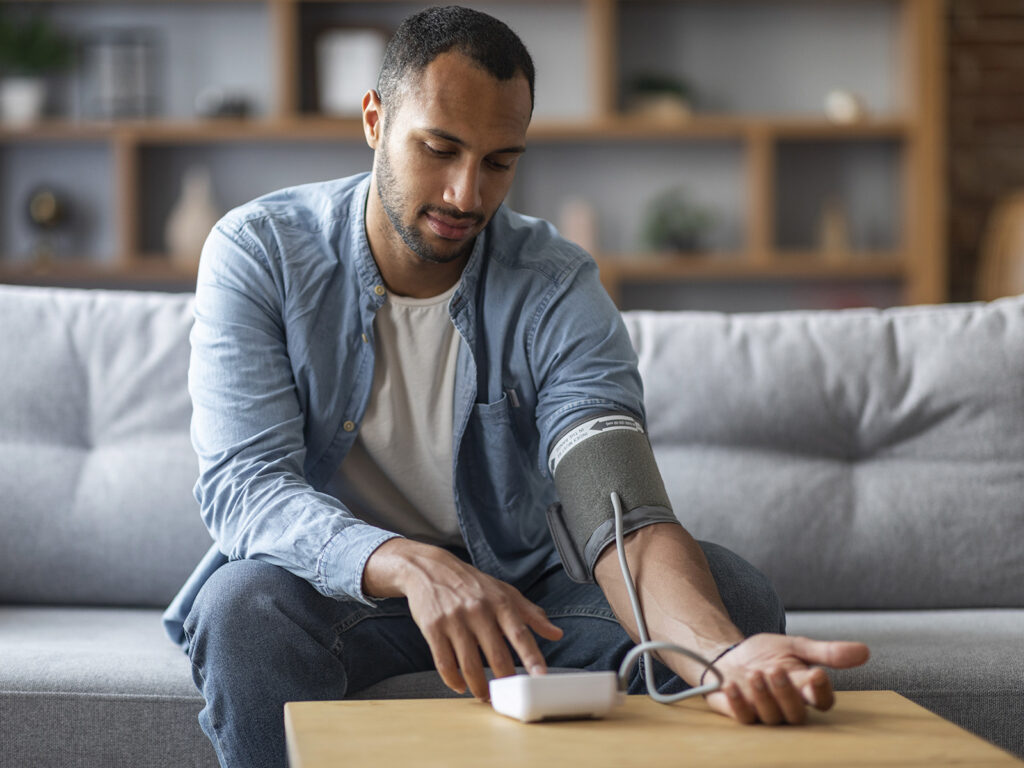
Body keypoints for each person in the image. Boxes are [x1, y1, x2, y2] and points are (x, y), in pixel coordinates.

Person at [163, 6, 869, 767]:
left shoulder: (556, 286)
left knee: (733, 599)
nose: (467, 194)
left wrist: (718, 656)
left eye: (500, 162)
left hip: (520, 594)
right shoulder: (259, 252)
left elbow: (617, 504)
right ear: (374, 120)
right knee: (240, 609)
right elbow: (246, 486)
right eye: (439, 149)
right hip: (341, 594)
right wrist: (413, 565)